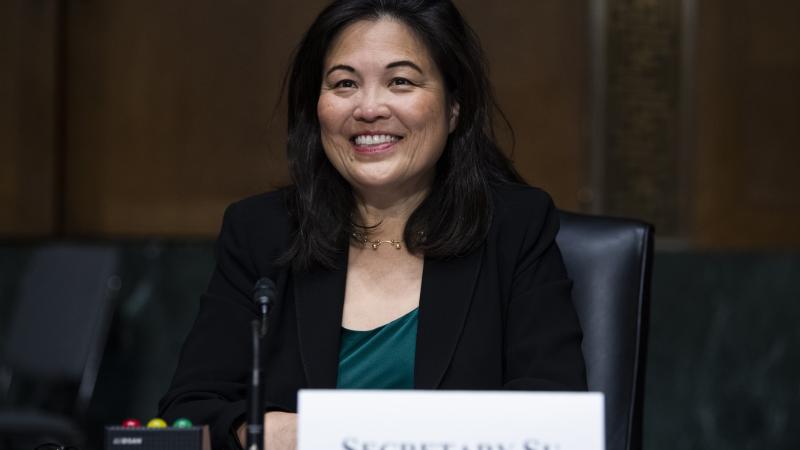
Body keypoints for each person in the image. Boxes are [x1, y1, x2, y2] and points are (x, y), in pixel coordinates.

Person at [158, 0, 586, 448]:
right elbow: (188, 413)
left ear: (454, 106)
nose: (368, 108)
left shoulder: (515, 227)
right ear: (316, 106)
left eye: (400, 81)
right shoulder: (262, 232)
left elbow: (553, 410)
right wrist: (273, 434)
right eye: (344, 84)